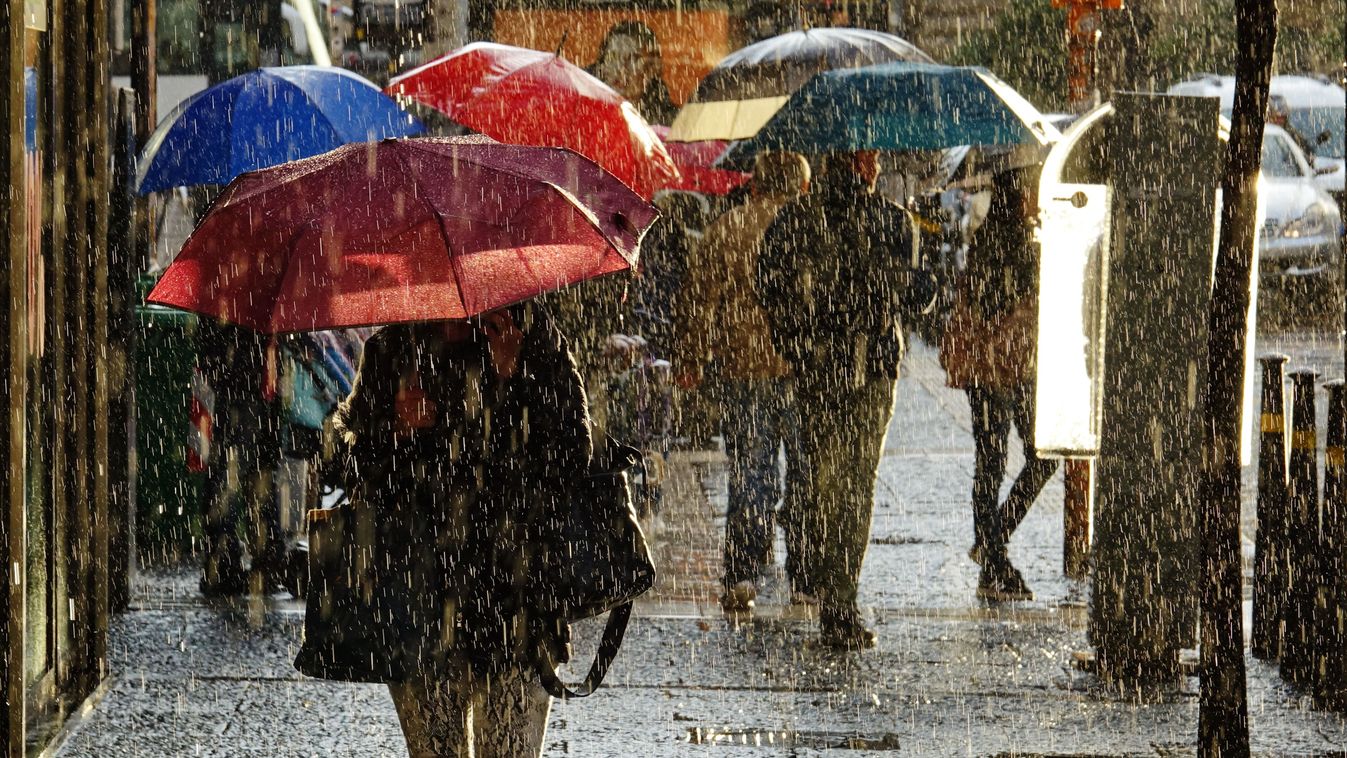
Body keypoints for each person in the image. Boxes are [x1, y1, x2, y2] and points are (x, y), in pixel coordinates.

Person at [328, 303, 591, 756]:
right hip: (420, 609)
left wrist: (514, 377)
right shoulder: (392, 348)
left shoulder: (529, 334)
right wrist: (394, 427)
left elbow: (573, 455)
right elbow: (352, 473)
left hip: (517, 606)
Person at [756, 150, 931, 649]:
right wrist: (915, 281)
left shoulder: (795, 218)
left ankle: (815, 568)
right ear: (866, 164)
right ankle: (839, 598)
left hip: (817, 367)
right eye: (872, 156)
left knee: (819, 473)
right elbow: (916, 297)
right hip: (872, 366)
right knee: (856, 480)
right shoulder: (892, 221)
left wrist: (797, 341)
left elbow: (767, 286)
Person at [674, 151, 810, 613]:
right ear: (802, 188)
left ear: (754, 185)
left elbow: (698, 298)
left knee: (751, 474)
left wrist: (691, 357)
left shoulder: (728, 227)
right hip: (801, 370)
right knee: (806, 474)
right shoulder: (807, 227)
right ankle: (806, 572)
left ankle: (741, 572)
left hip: (742, 366)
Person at [939, 167, 1058, 602]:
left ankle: (991, 547)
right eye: (1032, 190)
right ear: (1018, 196)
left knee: (994, 459)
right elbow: (1015, 305)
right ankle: (993, 552)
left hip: (993, 367)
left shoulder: (991, 239)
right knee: (1034, 455)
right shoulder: (1018, 243)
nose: (1037, 197)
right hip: (1009, 367)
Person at [197, 320, 287, 596]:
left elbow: (209, 353)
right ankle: (260, 563)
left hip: (239, 394)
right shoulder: (260, 312)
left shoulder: (225, 310)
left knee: (230, 482)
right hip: (253, 394)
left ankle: (228, 565)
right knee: (254, 482)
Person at [586, 21, 678, 125]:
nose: (620, 69)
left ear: (652, 68)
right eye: (613, 57)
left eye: (633, 58)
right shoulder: (588, 117)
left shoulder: (672, 123)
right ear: (602, 65)